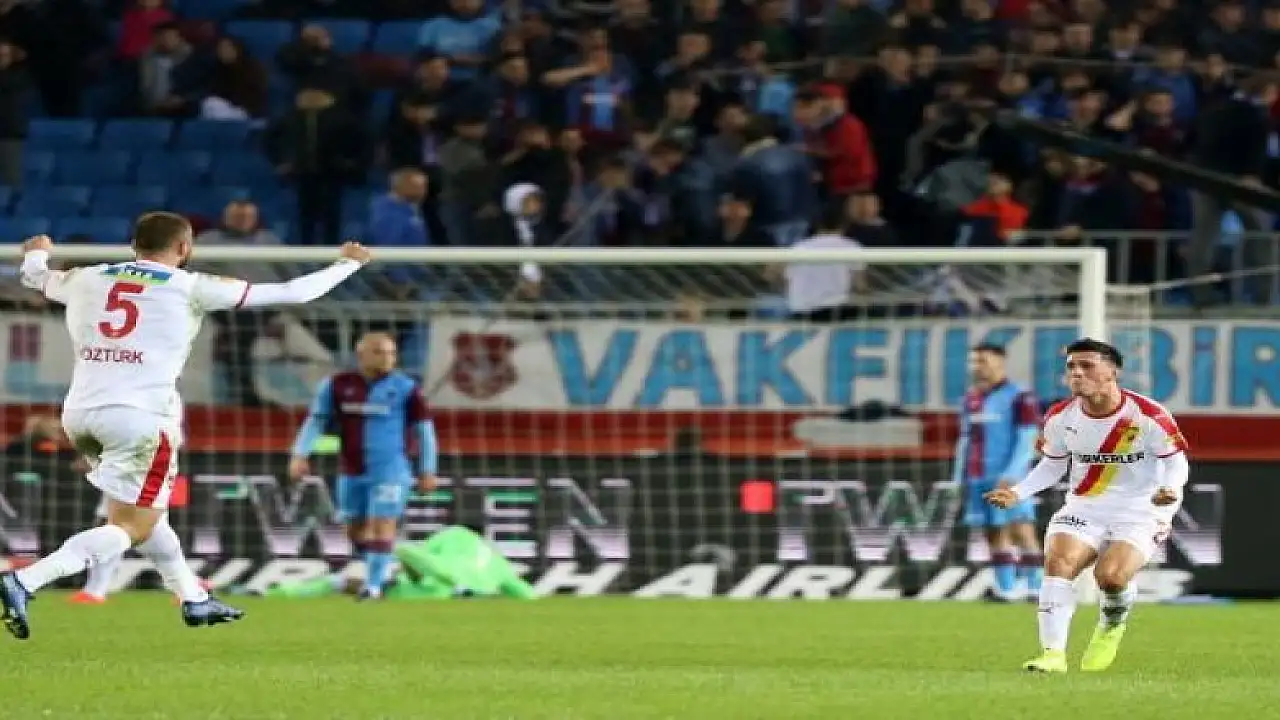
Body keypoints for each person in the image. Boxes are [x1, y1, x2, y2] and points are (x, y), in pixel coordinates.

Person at [0, 214, 370, 641]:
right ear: (184, 248)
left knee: (148, 515)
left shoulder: (88, 278)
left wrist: (37, 253)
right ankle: (26, 580)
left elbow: (35, 277)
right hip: (140, 419)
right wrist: (348, 263)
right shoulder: (190, 286)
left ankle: (193, 597)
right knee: (133, 526)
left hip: (81, 414)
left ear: (133, 244)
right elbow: (294, 292)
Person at [985, 338, 1190, 673]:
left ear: (1113, 371)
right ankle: (1052, 655)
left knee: (1110, 578)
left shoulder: (1149, 415)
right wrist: (1018, 492)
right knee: (1059, 563)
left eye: (1087, 366)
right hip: (1085, 506)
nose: (1076, 373)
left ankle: (1112, 622)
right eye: (1071, 367)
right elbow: (1052, 465)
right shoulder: (1059, 417)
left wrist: (1170, 488)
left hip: (1141, 508)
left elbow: (1175, 461)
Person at [287, 332, 438, 600]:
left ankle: (374, 587)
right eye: (379, 352)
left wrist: (427, 469)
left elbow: (425, 431)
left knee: (381, 524)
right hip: (352, 470)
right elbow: (316, 421)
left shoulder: (406, 388)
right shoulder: (336, 385)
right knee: (355, 531)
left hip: (391, 469)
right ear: (361, 355)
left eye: (392, 353)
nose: (387, 358)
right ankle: (395, 563)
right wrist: (300, 454)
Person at [955, 344, 1043, 602]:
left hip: (1009, 477)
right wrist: (958, 476)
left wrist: (1013, 473)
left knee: (1021, 530)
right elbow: (965, 439)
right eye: (973, 361)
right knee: (992, 531)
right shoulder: (971, 398)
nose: (976, 366)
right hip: (978, 476)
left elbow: (1028, 437)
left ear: (1000, 361)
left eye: (982, 360)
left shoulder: (1020, 396)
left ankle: (1037, 588)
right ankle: (1006, 589)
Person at [263, 526, 536, 601]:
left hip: (429, 589)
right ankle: (462, 591)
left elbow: (416, 560)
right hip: (467, 593)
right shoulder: (498, 562)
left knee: (342, 582)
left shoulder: (454, 534)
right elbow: (528, 595)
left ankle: (279, 594)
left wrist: (399, 564)